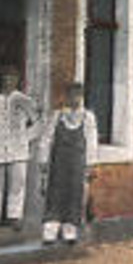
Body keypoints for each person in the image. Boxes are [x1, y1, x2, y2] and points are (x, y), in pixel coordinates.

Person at [36, 81, 97, 245]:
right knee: (55, 194)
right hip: (59, 163)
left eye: (77, 95)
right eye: (71, 95)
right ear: (66, 97)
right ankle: (50, 231)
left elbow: (91, 142)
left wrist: (90, 164)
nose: (74, 99)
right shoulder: (57, 116)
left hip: (77, 164)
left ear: (81, 97)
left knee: (74, 195)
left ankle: (69, 232)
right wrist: (43, 159)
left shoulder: (87, 118)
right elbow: (46, 138)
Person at [0, 66, 40, 227]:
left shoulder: (24, 100)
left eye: (12, 78)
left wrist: (25, 137)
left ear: (17, 80)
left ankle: (14, 216)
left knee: (17, 184)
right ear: (2, 80)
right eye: (5, 78)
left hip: (18, 149)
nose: (8, 81)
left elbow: (37, 123)